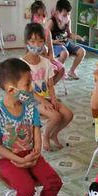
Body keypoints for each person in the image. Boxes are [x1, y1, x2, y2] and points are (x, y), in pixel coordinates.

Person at [0, 58, 62, 196]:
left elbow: (36, 129)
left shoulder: (30, 105)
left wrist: (37, 151)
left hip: (32, 155)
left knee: (54, 182)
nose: (31, 88)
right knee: (26, 188)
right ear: (11, 89)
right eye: (27, 84)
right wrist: (19, 160)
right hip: (9, 160)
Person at [23, 23, 73, 151]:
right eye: (32, 41)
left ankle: (53, 134)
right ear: (26, 42)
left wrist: (54, 99)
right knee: (56, 116)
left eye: (40, 41)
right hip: (31, 100)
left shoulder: (45, 62)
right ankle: (45, 136)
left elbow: (50, 84)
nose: (36, 45)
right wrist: (43, 101)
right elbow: (26, 90)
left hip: (46, 98)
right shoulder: (22, 64)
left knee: (68, 114)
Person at [46, 0, 85, 80]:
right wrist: (54, 41)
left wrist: (79, 37)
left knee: (82, 51)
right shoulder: (52, 21)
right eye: (64, 15)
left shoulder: (68, 21)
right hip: (55, 45)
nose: (67, 17)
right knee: (65, 53)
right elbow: (44, 36)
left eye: (68, 14)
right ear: (57, 13)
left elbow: (69, 35)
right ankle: (58, 71)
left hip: (66, 43)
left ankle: (72, 71)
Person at [30, 1, 64, 85]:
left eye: (44, 16)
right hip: (35, 60)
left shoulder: (46, 31)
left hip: (46, 58)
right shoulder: (30, 32)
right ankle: (45, 87)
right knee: (51, 71)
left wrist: (50, 58)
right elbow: (30, 53)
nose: (41, 18)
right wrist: (45, 58)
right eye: (38, 15)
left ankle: (49, 87)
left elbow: (51, 49)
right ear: (32, 15)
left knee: (61, 69)